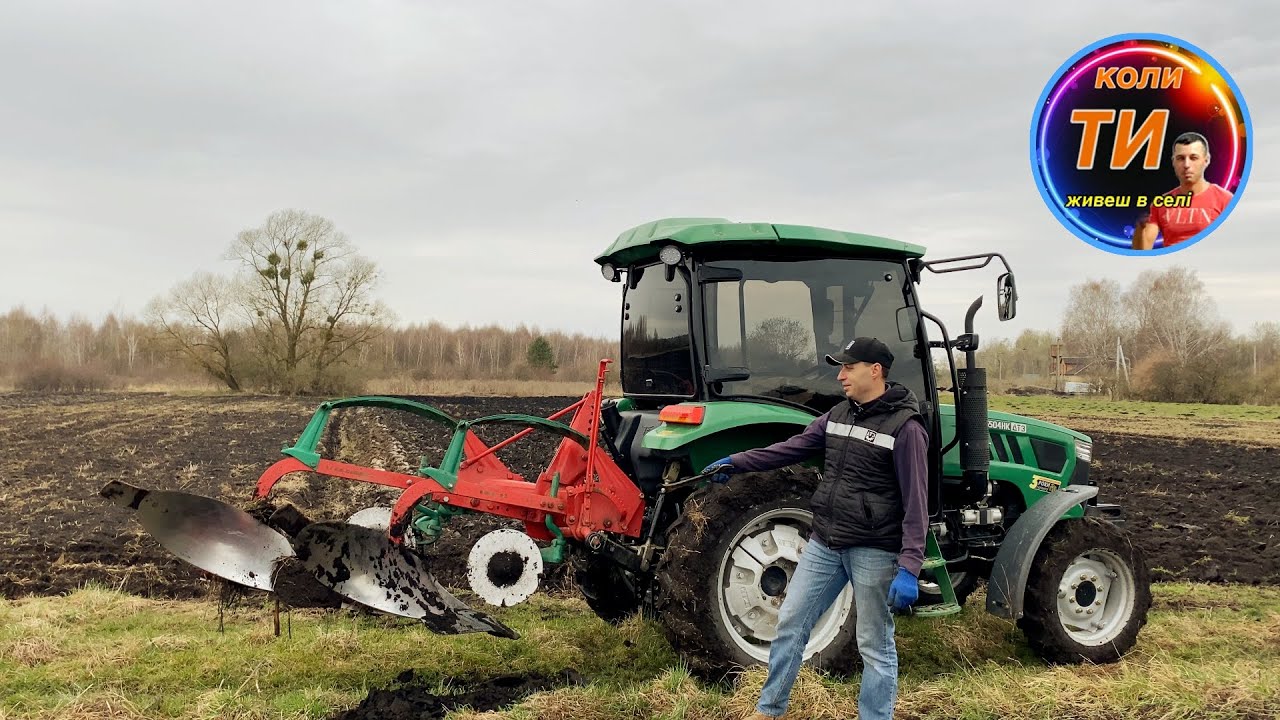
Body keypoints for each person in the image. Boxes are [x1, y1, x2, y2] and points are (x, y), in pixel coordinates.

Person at [702, 336, 930, 720]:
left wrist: (909, 567)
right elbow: (791, 448)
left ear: (875, 371)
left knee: (874, 643)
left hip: (873, 549)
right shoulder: (839, 415)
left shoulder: (905, 429)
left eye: (848, 367)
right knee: (791, 622)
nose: (840, 375)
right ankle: (769, 709)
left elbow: (917, 504)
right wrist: (738, 462)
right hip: (826, 543)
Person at [1132, 131, 1234, 250]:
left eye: (1193, 158)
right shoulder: (1161, 203)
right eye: (1180, 158)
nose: (1186, 164)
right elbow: (1143, 249)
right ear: (1173, 162)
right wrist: (1139, 229)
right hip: (1172, 265)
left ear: (1206, 160)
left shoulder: (1225, 200)